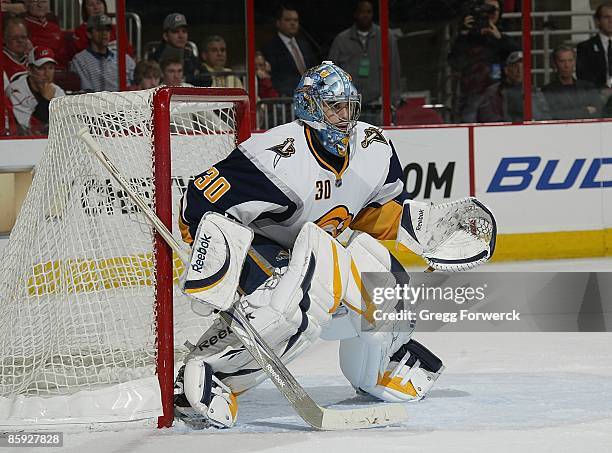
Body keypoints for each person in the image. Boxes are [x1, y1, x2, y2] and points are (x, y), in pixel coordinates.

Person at [172, 62, 453, 428]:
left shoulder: (373, 148)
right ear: (309, 106)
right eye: (334, 107)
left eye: (349, 107)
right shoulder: (275, 157)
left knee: (384, 279)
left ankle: (379, 367)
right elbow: (196, 204)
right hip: (262, 253)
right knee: (302, 296)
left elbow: (374, 213)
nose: (344, 117)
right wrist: (217, 274)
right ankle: (206, 372)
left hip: (311, 254)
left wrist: (426, 237)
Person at [328, 0, 400, 124]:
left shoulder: (386, 37)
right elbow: (331, 73)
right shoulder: (341, 40)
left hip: (379, 106)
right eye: (361, 12)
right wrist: (335, 105)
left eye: (369, 12)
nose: (365, 15)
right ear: (355, 14)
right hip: (349, 107)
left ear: (373, 14)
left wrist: (392, 102)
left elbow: (394, 70)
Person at [448, 0, 520, 122]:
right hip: (471, 96)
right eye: (486, 9)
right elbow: (455, 62)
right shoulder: (467, 38)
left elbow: (518, 58)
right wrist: (464, 33)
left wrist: (499, 38)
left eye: (494, 9)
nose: (490, 13)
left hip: (499, 98)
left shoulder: (503, 39)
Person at [262, 4, 318, 96]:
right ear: (278, 23)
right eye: (288, 20)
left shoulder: (305, 45)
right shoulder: (270, 48)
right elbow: (275, 76)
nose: (293, 23)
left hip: (310, 97)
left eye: (295, 20)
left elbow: (313, 69)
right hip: (286, 99)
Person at [477, 51, 549, 122]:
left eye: (523, 67)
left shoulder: (534, 91)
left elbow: (545, 116)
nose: (519, 71)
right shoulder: (493, 92)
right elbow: (488, 119)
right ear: (506, 70)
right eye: (515, 66)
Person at [7, 46, 65, 135]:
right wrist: (45, 101)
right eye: (41, 68)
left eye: (51, 68)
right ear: (30, 70)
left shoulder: (57, 91)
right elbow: (27, 129)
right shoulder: (16, 90)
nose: (47, 73)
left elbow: (65, 126)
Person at [70, 14, 135, 92]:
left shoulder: (124, 58)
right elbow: (87, 93)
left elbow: (137, 84)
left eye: (107, 30)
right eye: (99, 29)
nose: (104, 33)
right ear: (89, 34)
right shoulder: (79, 60)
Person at [542, 46, 602, 120]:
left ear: (575, 62)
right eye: (562, 61)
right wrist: (585, 111)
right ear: (555, 64)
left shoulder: (588, 87)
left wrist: (570, 112)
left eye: (570, 60)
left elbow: (598, 111)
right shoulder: (548, 90)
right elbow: (555, 115)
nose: (567, 65)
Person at [150, 13, 203, 86]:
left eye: (184, 31)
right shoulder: (156, 57)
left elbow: (206, 79)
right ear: (165, 36)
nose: (181, 36)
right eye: (175, 32)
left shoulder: (189, 54)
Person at [23, 0, 73, 68]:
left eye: (43, 1)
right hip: (40, 69)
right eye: (35, 1)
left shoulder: (54, 27)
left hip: (64, 68)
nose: (40, 5)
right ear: (26, 4)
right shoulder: (22, 27)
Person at [577, 2, 612, 89]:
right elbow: (583, 77)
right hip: (597, 96)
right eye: (606, 17)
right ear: (597, 21)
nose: (611, 21)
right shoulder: (585, 47)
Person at [2, 16, 30, 84]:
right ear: (4, 39)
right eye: (15, 37)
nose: (20, 41)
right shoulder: (2, 62)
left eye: (23, 37)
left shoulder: (33, 59)